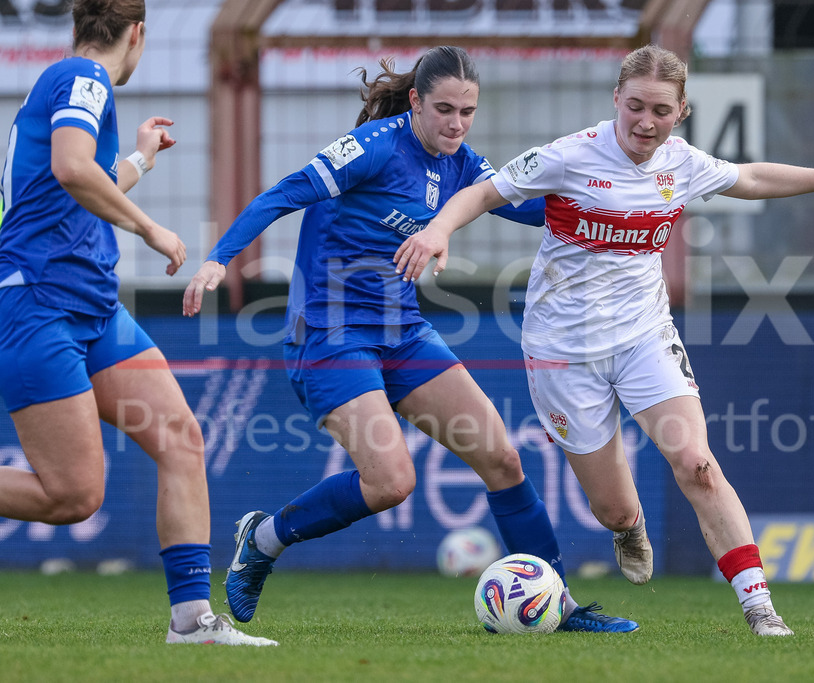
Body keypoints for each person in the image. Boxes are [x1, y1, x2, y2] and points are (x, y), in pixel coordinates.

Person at [394, 43, 814, 637]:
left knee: (698, 464)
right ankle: (628, 526)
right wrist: (437, 230)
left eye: (660, 110)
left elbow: (752, 177)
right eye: (634, 106)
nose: (644, 121)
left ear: (681, 111)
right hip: (562, 351)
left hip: (644, 336)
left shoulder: (682, 164)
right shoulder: (570, 156)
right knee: (612, 508)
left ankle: (759, 607)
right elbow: (484, 192)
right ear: (616, 98)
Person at [182, 45, 638, 634]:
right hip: (330, 332)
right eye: (444, 109)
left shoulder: (461, 163)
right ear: (416, 102)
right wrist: (218, 259)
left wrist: (606, 199)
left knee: (501, 458)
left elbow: (527, 209)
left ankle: (560, 607)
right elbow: (283, 194)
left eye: (467, 112)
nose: (456, 124)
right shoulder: (373, 147)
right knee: (391, 482)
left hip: (401, 331)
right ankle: (263, 539)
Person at [0, 0, 276, 647]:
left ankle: (192, 621)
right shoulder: (85, 77)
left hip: (92, 307)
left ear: (77, 24)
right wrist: (150, 228)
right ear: (138, 34)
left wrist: (141, 159)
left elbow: (77, 183)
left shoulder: (69, 84)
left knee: (181, 438)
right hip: (39, 305)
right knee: (73, 497)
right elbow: (72, 169)